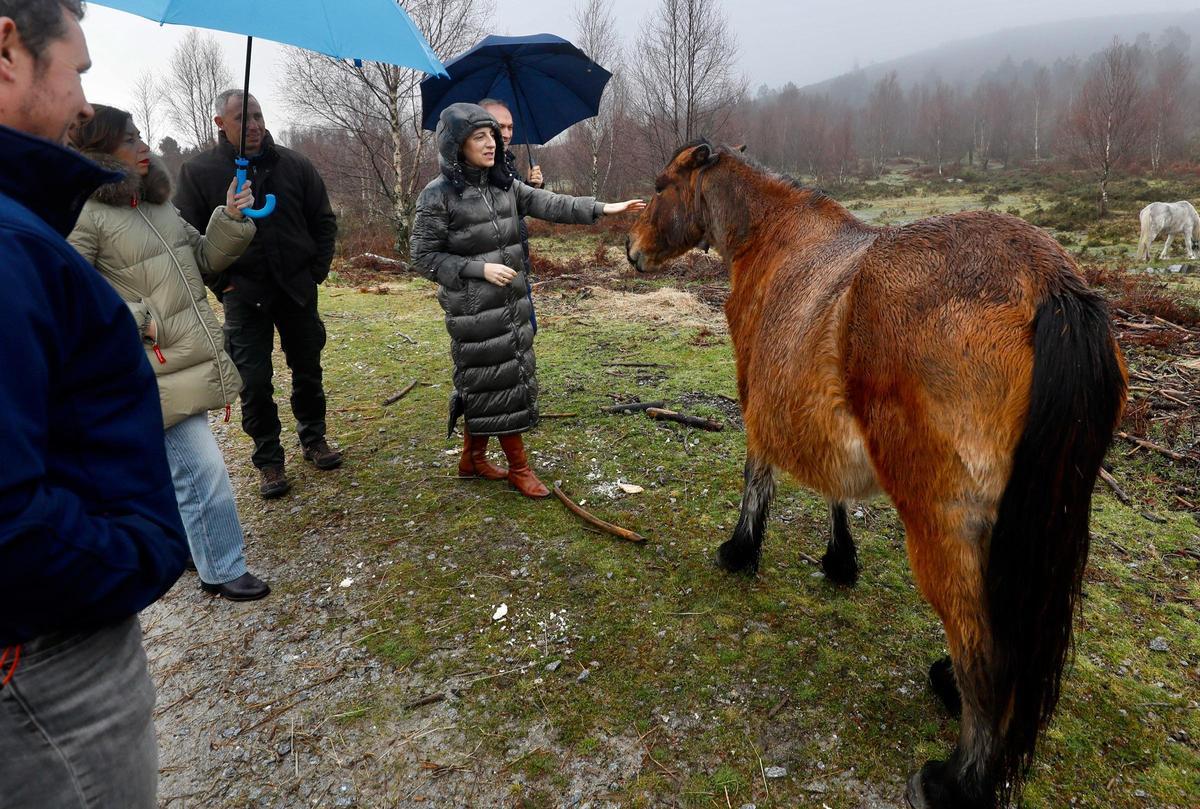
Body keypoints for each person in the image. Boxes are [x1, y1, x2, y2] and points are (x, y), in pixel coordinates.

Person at [0, 2, 188, 806]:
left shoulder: (24, 226)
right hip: (49, 663)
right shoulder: (13, 241)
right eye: (77, 69)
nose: (84, 103)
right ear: (7, 47)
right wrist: (138, 551)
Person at [68, 105, 270, 602]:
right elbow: (71, 290)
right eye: (129, 139)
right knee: (202, 467)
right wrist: (139, 320)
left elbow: (204, 260)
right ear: (97, 150)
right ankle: (221, 566)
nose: (143, 146)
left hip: (182, 356)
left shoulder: (156, 204)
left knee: (175, 469)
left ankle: (185, 548)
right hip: (146, 365)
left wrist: (230, 217)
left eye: (141, 135)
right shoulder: (83, 213)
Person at [411, 103, 644, 497]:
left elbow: (550, 203)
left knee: (491, 382)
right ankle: (520, 468)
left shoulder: (502, 184)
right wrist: (477, 269)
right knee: (498, 381)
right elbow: (423, 256)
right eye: (479, 137)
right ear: (456, 145)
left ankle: (472, 458)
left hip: (510, 303)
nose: (492, 143)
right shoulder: (438, 196)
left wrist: (604, 208)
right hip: (473, 309)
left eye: (493, 135)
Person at [175, 90, 340, 499]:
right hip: (243, 294)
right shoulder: (199, 173)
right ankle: (268, 460)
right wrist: (221, 284)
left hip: (297, 290)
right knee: (254, 381)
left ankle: (314, 438)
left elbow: (323, 221)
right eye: (241, 118)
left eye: (258, 115)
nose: (253, 124)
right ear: (220, 124)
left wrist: (315, 272)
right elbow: (186, 239)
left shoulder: (294, 164)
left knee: (307, 369)